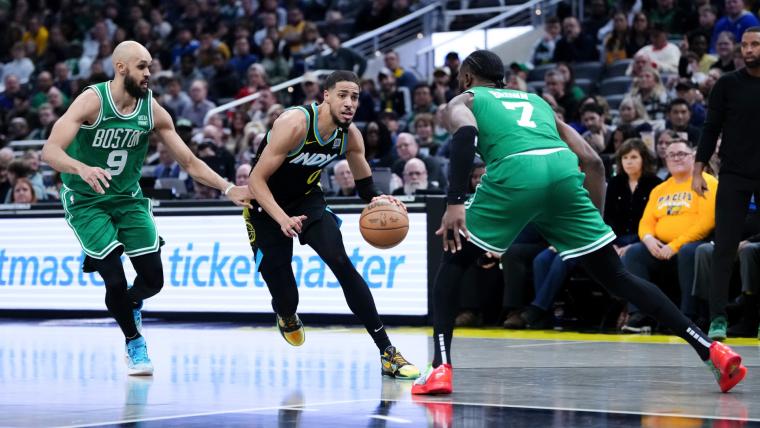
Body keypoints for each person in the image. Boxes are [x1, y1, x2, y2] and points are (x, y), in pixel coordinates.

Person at [411, 50, 746, 396]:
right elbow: (592, 161)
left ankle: (440, 368)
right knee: (617, 276)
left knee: (451, 264)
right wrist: (592, 225)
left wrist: (453, 202)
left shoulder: (465, 98)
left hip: (515, 168)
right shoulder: (537, 101)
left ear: (466, 78)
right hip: (562, 171)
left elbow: (464, 135)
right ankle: (711, 350)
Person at [41, 41, 251, 376]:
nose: (149, 73)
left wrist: (228, 188)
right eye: (142, 66)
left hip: (128, 199)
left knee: (154, 280)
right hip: (87, 200)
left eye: (150, 66)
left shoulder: (152, 110)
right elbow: (50, 151)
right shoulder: (92, 100)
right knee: (113, 278)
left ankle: (132, 303)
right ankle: (134, 343)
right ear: (121, 67)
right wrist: (81, 168)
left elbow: (190, 161)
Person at [244, 70, 419, 379]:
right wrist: (282, 218)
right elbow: (255, 179)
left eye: (355, 97)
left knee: (340, 261)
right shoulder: (295, 124)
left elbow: (366, 189)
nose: (350, 103)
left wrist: (383, 200)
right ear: (325, 96)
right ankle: (285, 314)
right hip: (264, 206)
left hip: (307, 201)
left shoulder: (350, 136)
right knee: (287, 298)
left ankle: (387, 352)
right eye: (343, 95)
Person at [693, 27, 760, 341]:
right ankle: (717, 318)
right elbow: (710, 129)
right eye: (745, 45)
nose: (748, 50)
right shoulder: (727, 84)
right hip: (733, 174)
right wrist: (698, 171)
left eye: (755, 44)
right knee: (723, 248)